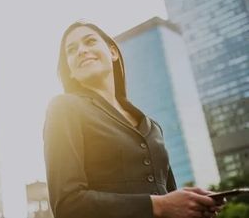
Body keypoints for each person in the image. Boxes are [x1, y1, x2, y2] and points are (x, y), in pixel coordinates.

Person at [43, 20, 222, 218]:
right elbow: (68, 204)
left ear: (113, 52)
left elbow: (171, 200)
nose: (82, 50)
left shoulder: (152, 127)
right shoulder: (64, 108)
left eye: (90, 41)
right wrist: (159, 205)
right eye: (71, 49)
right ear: (70, 71)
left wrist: (193, 206)